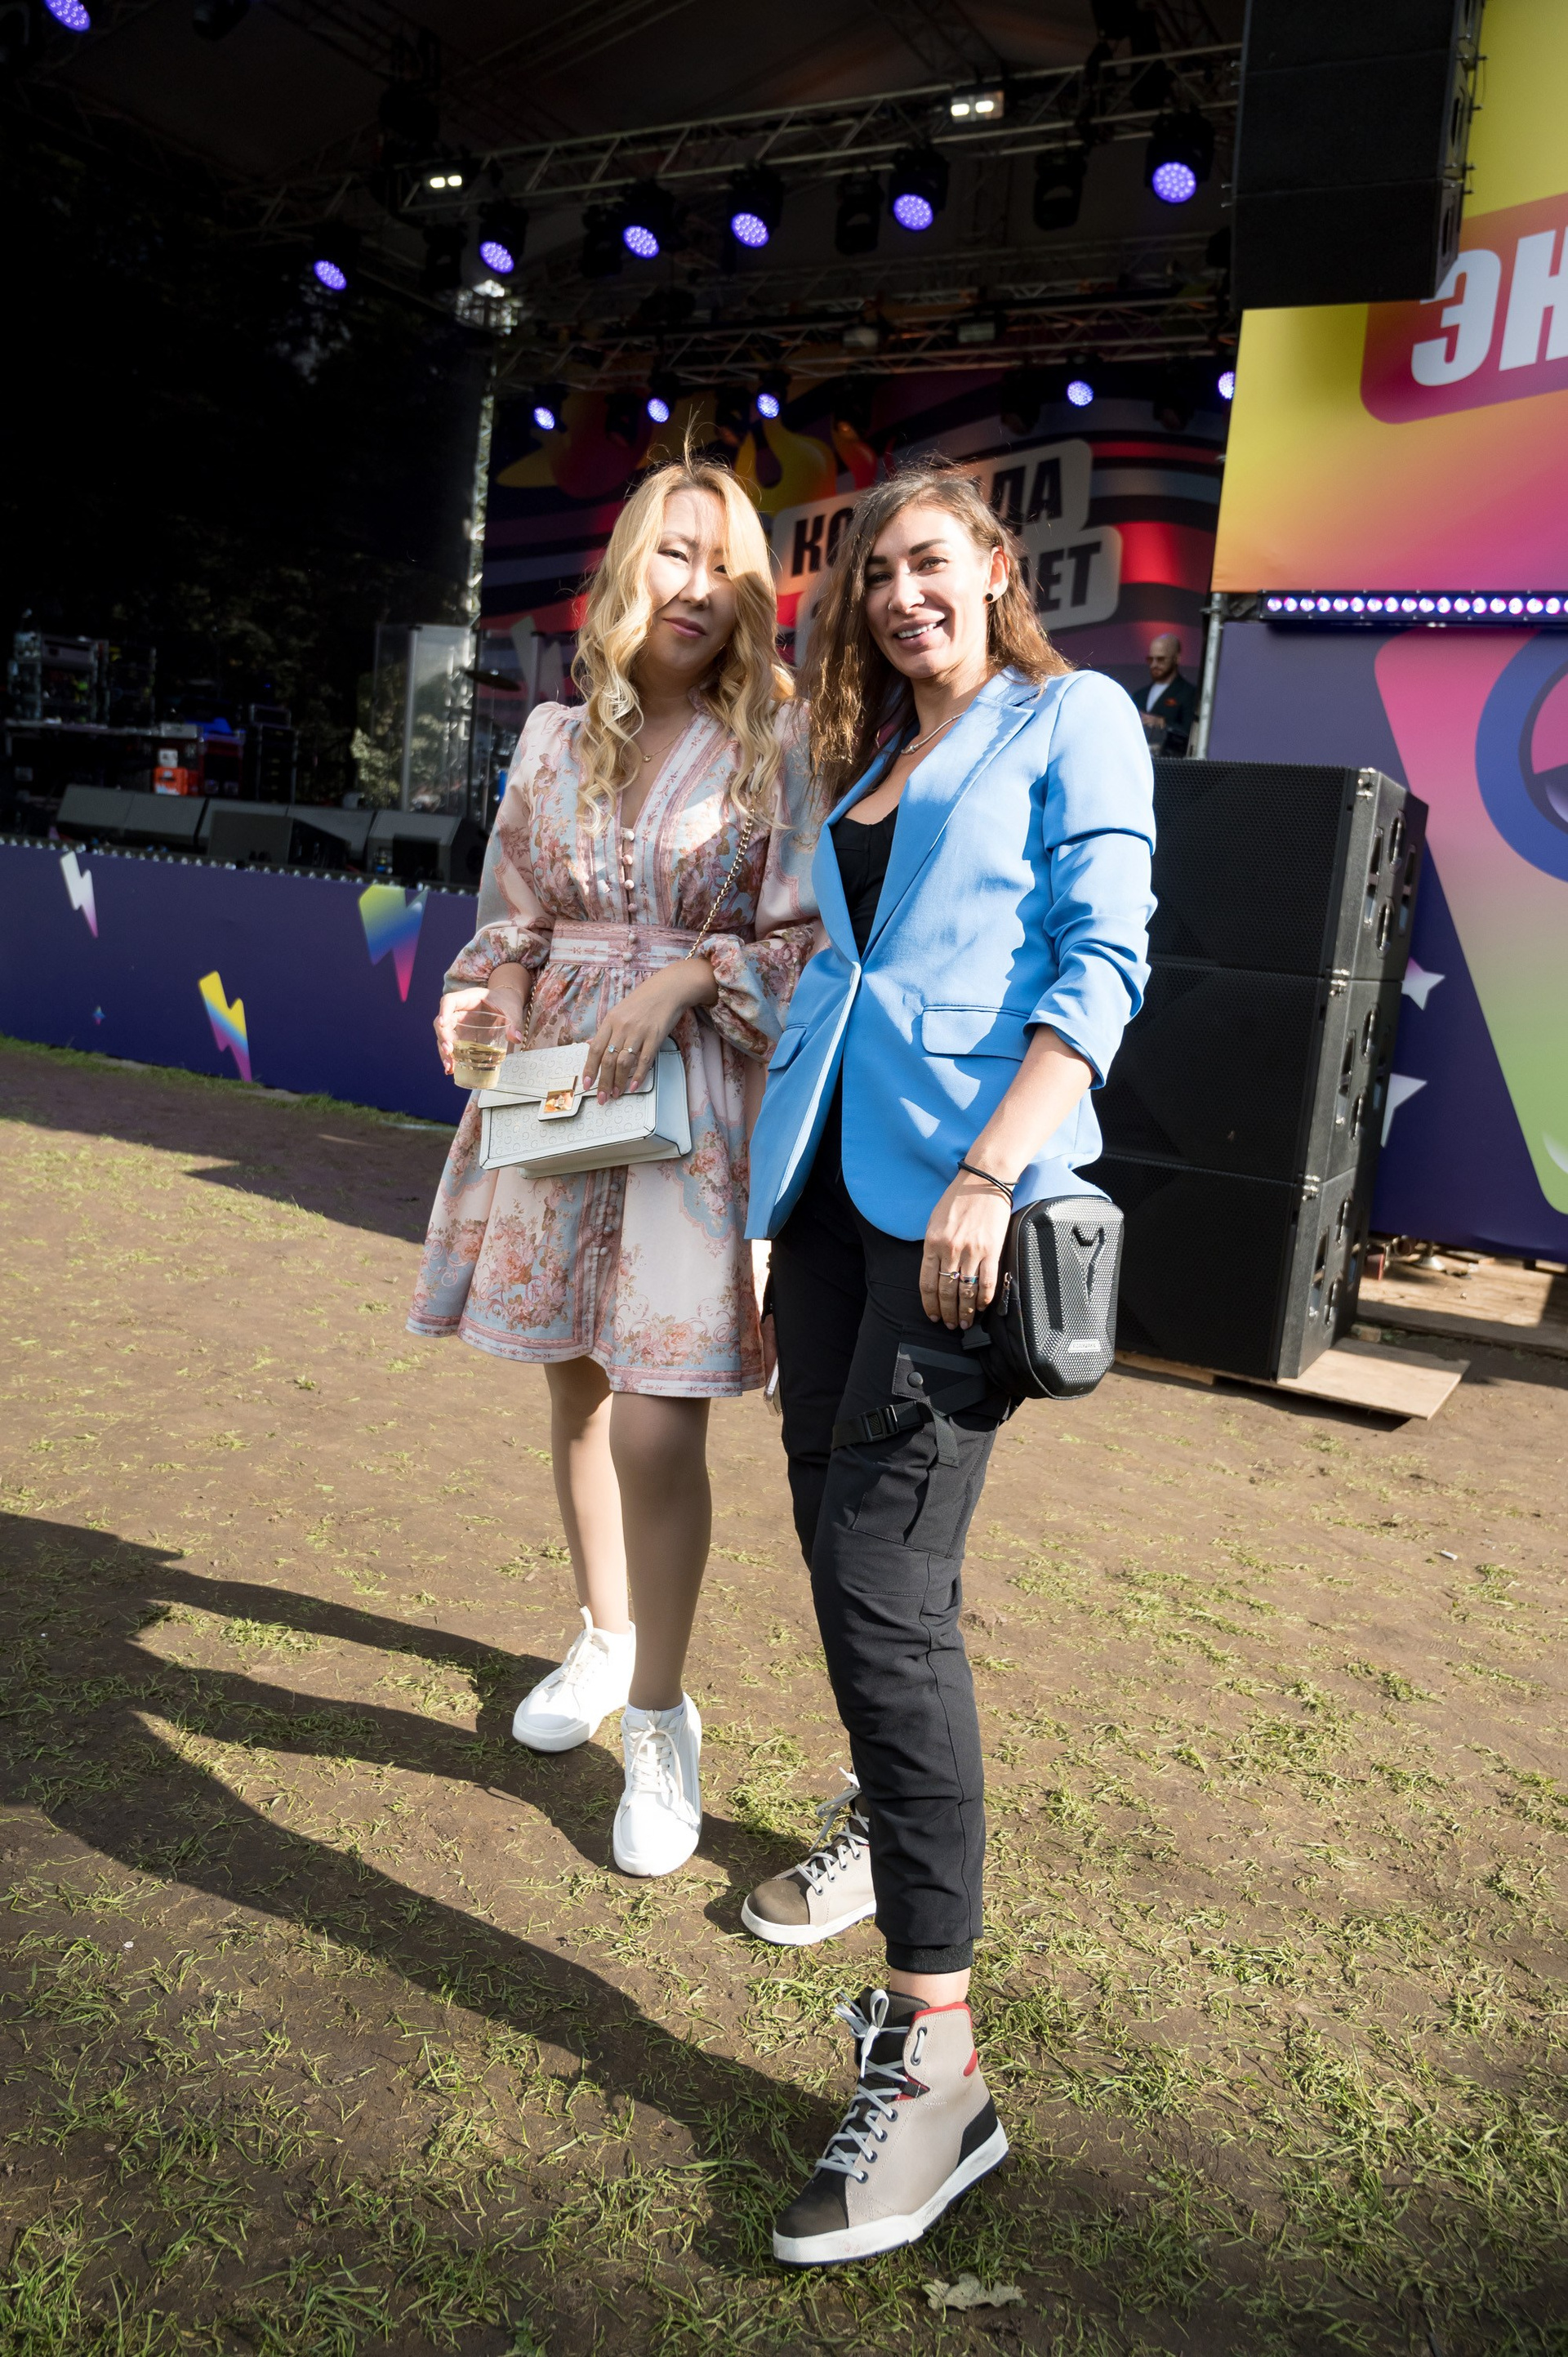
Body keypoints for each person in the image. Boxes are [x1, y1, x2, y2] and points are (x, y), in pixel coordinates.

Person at [742, 462, 1156, 2266]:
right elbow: (819, 983)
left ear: (995, 567)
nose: (903, 594)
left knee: (887, 1589)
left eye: (932, 562)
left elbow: (1104, 957)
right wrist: (765, 1206)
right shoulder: (855, 766)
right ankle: (877, 1813)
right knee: (837, 1548)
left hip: (965, 1216)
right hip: (831, 1209)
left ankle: (940, 2068)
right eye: (876, 575)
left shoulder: (1074, 718)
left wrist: (995, 1169)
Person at [408, 458, 815, 1878]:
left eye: (726, 562)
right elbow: (512, 921)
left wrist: (689, 976)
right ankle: (603, 1635)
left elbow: (803, 943)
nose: (697, 586)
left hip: (689, 1102)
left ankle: (658, 1717)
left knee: (657, 1416)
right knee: (574, 1384)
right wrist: (489, 1004)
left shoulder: (780, 741)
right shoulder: (551, 739)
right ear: (628, 568)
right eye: (673, 553)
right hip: (556, 1092)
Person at [1140, 630, 1197, 755]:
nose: (1154, 665)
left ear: (1176, 659)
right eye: (1150, 659)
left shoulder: (1189, 693)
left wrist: (1162, 722)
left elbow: (1191, 734)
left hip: (1172, 762)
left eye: (1160, 659)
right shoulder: (1140, 695)